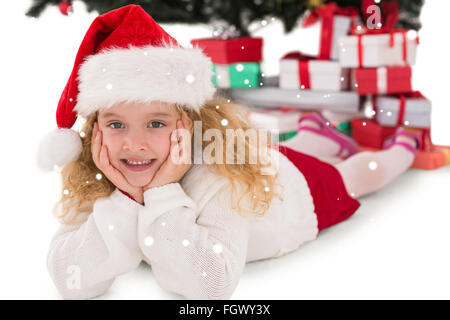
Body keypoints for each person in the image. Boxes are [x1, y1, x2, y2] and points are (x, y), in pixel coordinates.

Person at [37, 5, 422, 300]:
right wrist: (125, 197)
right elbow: (70, 280)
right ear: (93, 131)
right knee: (284, 151)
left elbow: (212, 286)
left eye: (155, 123)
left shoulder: (219, 178)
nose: (133, 144)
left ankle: (405, 145)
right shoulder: (99, 174)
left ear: (187, 124)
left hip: (291, 194)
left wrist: (161, 192)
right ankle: (316, 133)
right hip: (269, 160)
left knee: (353, 177)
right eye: (116, 124)